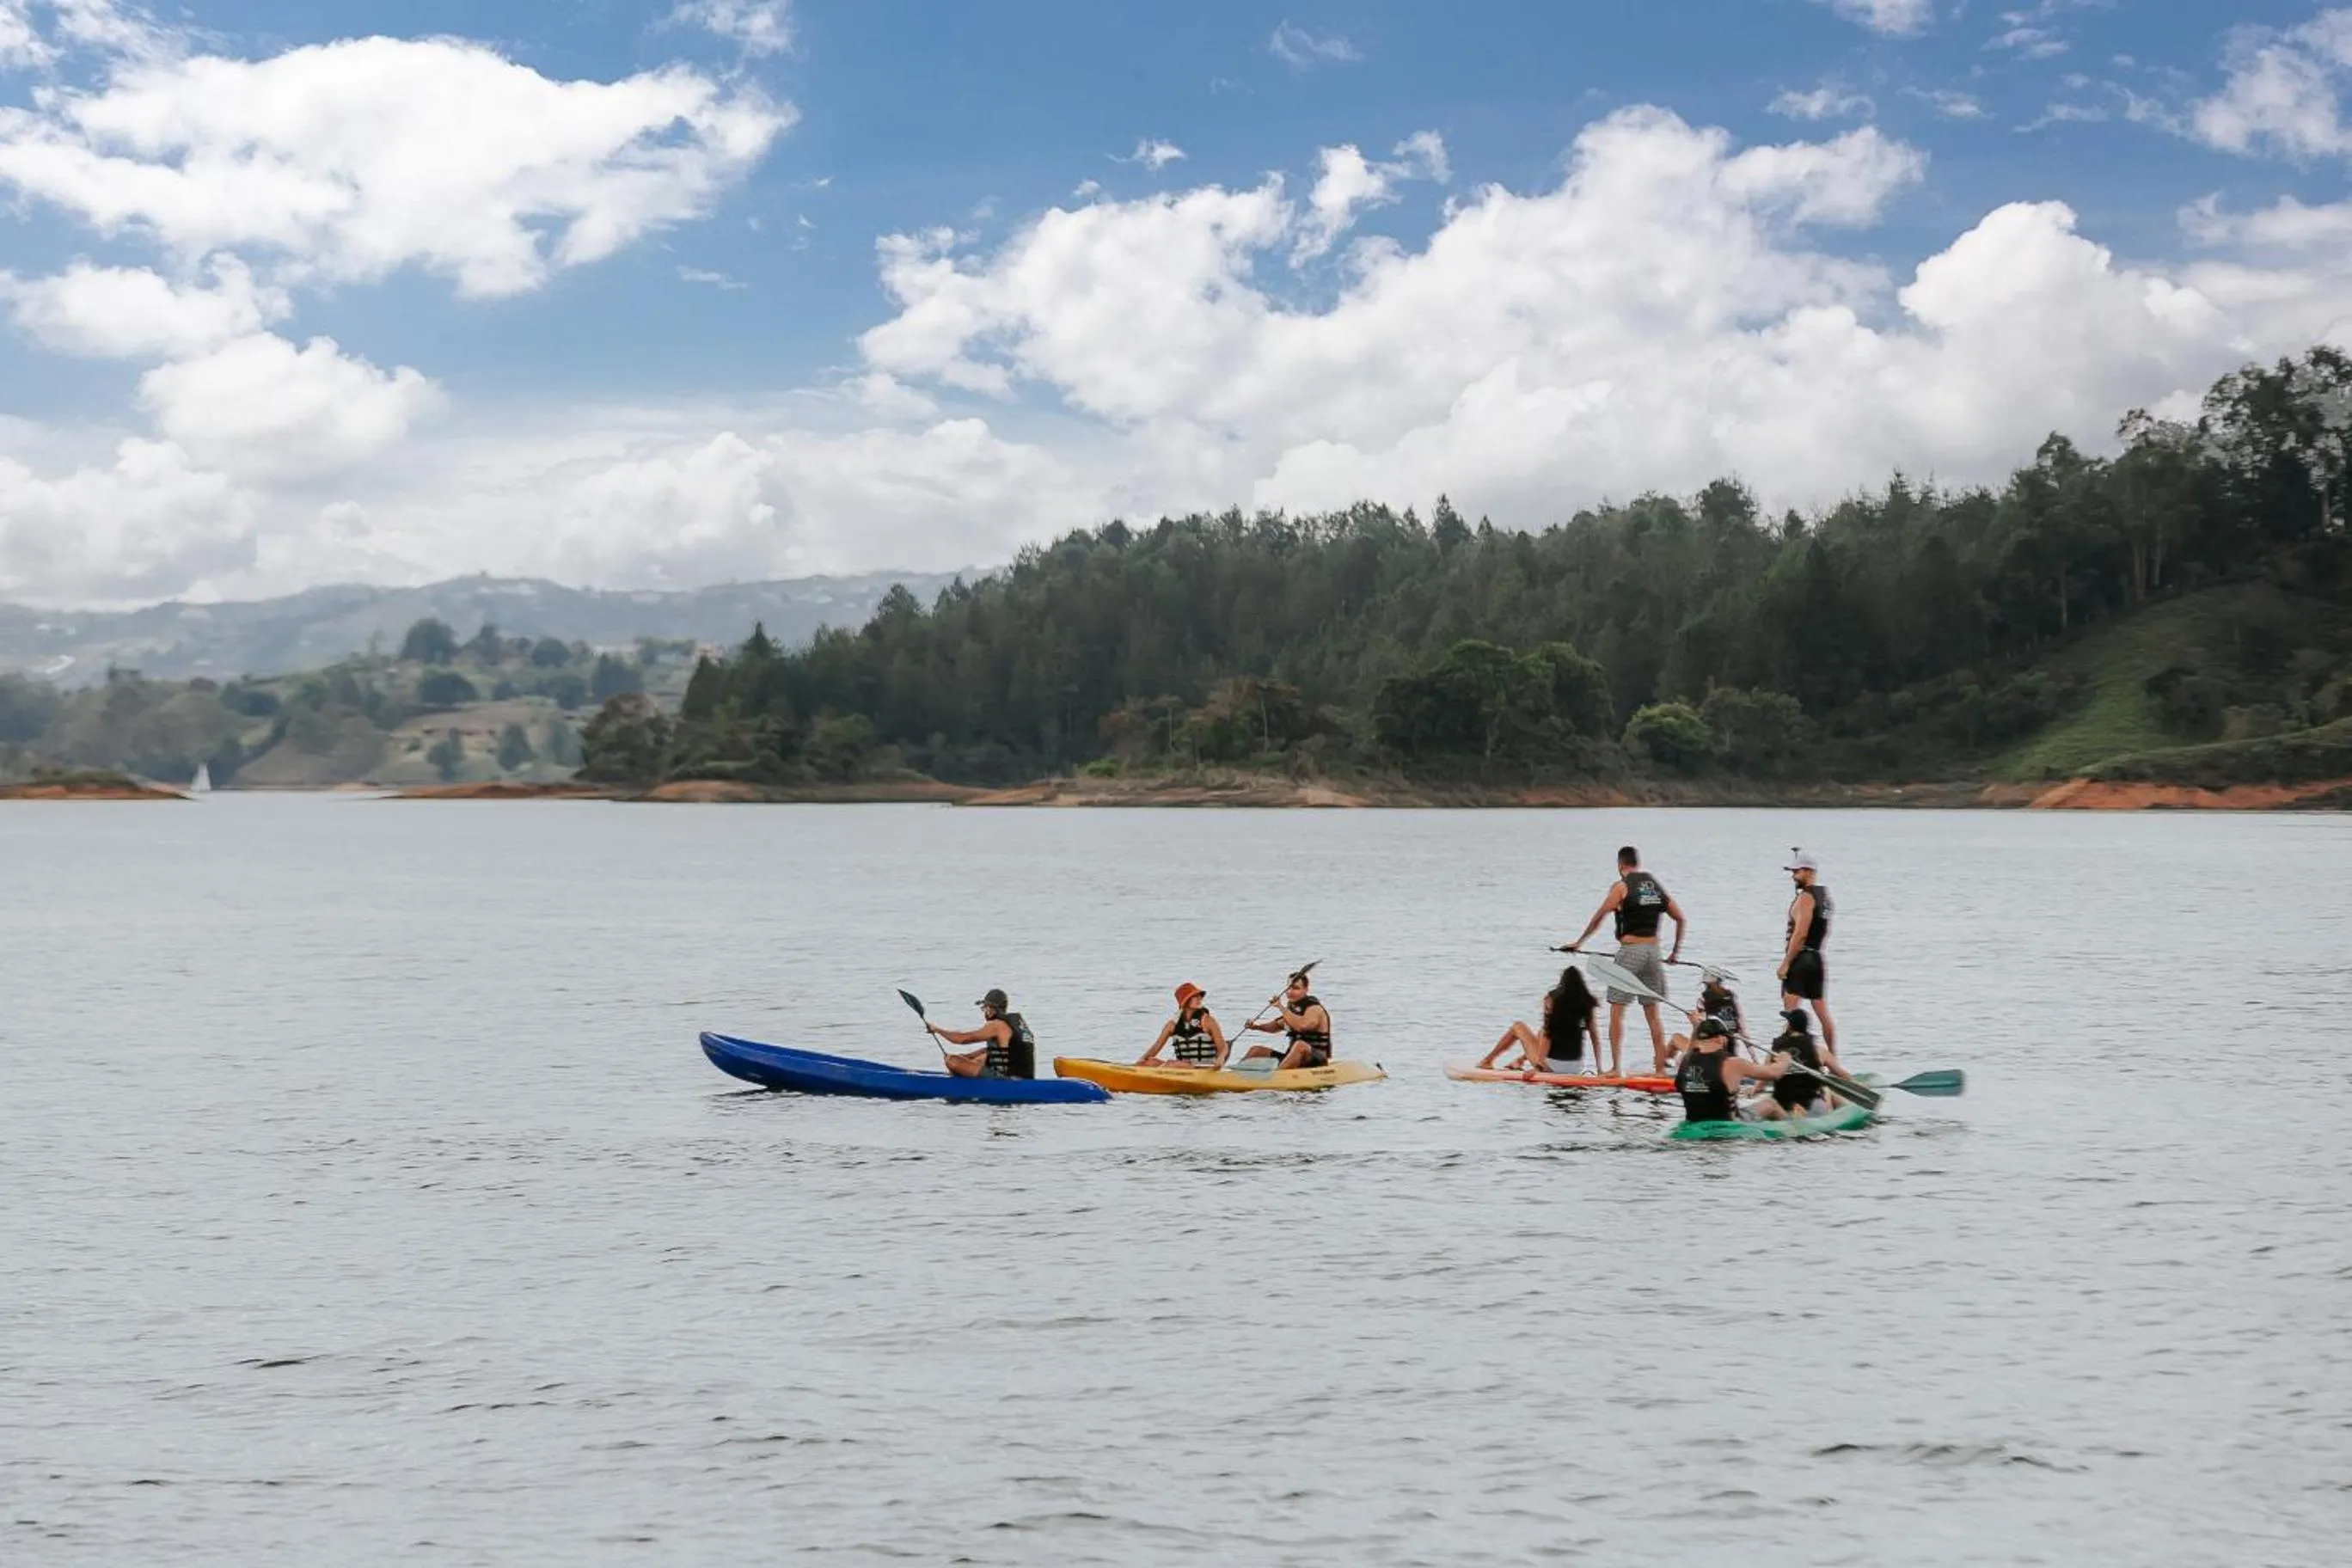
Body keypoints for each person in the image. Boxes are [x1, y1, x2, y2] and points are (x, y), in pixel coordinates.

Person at [1566, 845, 1687, 1075]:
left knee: (1616, 1011)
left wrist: (1579, 942)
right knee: (1653, 1014)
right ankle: (1660, 1070)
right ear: (1637, 864)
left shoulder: (1621, 887)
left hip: (1631, 950)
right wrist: (1674, 953)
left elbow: (1600, 915)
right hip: (1654, 952)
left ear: (1621, 866)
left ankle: (1615, 1068)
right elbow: (1681, 918)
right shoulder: (1654, 886)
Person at [1478, 965, 1602, 1074]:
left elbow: (1548, 1034)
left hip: (1551, 1066)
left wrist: (1538, 1067)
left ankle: (1487, 1061)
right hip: (1576, 1067)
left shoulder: (1551, 999)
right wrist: (1599, 1069)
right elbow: (1595, 1039)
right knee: (1544, 1031)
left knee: (1518, 1026)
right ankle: (1520, 1061)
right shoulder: (1587, 1005)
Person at [1671, 1017, 1795, 1126]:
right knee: (1770, 1104)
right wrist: (1785, 1060)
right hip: (1730, 1124)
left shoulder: (1684, 1060)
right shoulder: (1733, 1063)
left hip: (1694, 1122)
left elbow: (1692, 1048)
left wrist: (1697, 1027)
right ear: (1722, 1039)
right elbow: (1774, 1073)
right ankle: (1794, 1132)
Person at [1778, 849, 1836, 1055]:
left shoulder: (1806, 898)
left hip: (1801, 959)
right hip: (1817, 958)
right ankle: (1833, 1060)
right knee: (1822, 1012)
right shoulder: (1825, 897)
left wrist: (1786, 962)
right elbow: (1824, 931)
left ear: (1808, 871)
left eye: (1796, 872)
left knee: (1790, 1012)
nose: (1793, 876)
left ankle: (1781, 1061)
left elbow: (1801, 933)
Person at [1755, 1008, 1847, 1121]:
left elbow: (1761, 1084)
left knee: (1772, 1101)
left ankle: (1794, 1112)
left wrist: (1754, 1089)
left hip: (1783, 1103)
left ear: (1789, 1026)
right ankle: (1845, 1111)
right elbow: (1844, 1076)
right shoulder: (1818, 1050)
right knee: (1827, 1090)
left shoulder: (1774, 1052)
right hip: (1811, 1104)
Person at [932, 988, 1037, 1079]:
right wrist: (968, 1057)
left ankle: (962, 1084)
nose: (984, 1012)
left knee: (952, 1060)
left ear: (990, 1009)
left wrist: (938, 1030)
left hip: (1009, 1080)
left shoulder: (997, 1025)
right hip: (1022, 1078)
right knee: (977, 1058)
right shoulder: (1015, 1025)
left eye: (984, 1008)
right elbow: (991, 1052)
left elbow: (963, 1039)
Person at [1242, 970, 1332, 1069]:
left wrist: (1280, 1007)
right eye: (1288, 988)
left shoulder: (1314, 1008)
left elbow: (1302, 1026)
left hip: (1315, 1060)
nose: (1290, 992)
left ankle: (1277, 1076)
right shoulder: (1292, 1009)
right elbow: (1276, 1026)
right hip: (1295, 1058)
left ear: (1306, 989)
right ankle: (1234, 1076)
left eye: (1295, 988)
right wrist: (1256, 1027)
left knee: (1300, 1045)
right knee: (1256, 1050)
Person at [1137, 982, 1228, 1069]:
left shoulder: (1208, 1021)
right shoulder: (1172, 1025)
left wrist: (1220, 1059)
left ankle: (1160, 1073)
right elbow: (1157, 1046)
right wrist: (1142, 1060)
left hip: (1202, 1068)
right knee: (1150, 1062)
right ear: (1185, 1001)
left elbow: (1223, 1047)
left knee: (1172, 1064)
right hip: (1180, 1067)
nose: (1199, 999)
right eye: (1194, 997)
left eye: (1199, 996)